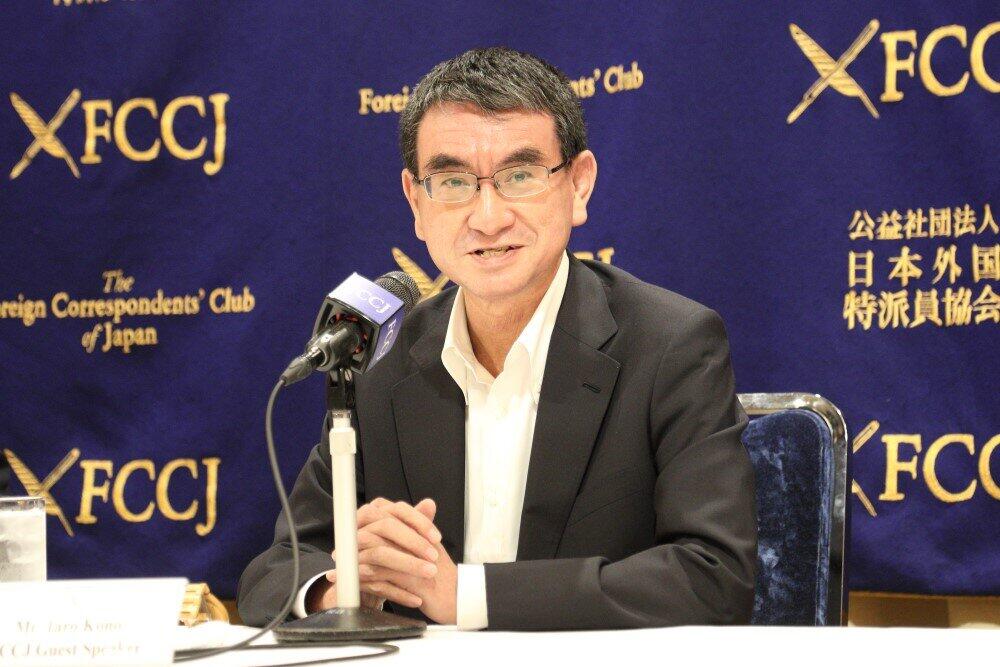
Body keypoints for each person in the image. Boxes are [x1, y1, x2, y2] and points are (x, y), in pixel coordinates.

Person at [238, 47, 757, 631]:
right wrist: (346, 587)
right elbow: (277, 571)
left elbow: (714, 579)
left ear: (579, 185)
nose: (487, 217)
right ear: (416, 202)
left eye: (520, 176)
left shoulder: (672, 345)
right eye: (453, 182)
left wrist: (462, 594)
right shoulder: (381, 361)